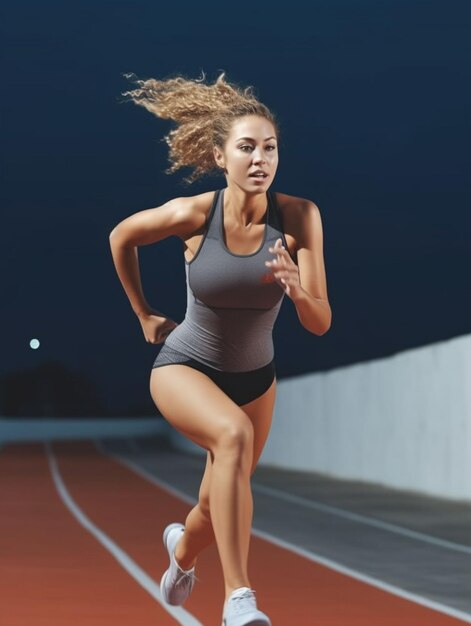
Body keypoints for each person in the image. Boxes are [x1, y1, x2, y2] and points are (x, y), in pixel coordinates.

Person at [109, 70, 332, 626]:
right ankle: (239, 598)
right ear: (220, 155)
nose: (261, 159)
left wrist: (297, 289)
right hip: (184, 365)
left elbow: (320, 322)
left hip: (256, 380)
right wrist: (144, 315)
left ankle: (181, 551)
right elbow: (121, 237)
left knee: (217, 503)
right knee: (232, 437)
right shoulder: (193, 215)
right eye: (247, 148)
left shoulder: (300, 217)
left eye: (271, 149)